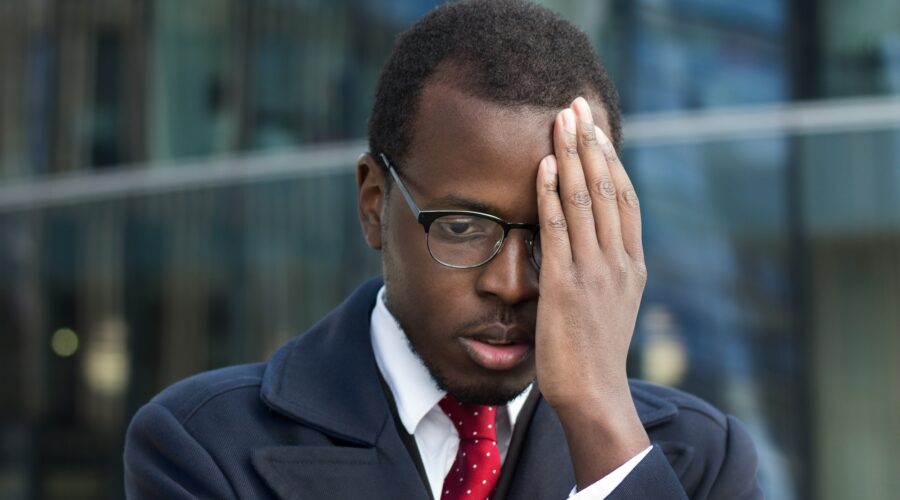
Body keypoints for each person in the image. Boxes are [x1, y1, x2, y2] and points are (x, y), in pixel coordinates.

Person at [124, 1, 762, 498]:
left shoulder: (697, 457)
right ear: (375, 202)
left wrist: (602, 422)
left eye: (553, 231)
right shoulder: (204, 445)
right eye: (462, 226)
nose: (511, 284)